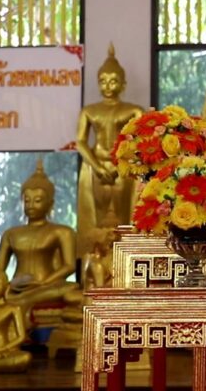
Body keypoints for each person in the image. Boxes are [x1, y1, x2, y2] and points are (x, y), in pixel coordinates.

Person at [75, 43, 143, 255]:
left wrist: (121, 164)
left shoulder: (134, 110)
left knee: (124, 215)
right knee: (99, 215)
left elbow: (142, 141)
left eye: (113, 81)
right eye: (103, 81)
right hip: (97, 166)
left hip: (122, 168)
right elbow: (80, 142)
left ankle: (125, 257)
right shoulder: (89, 111)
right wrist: (97, 167)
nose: (107, 86)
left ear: (123, 84)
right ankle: (98, 256)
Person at [0, 160, 79, 311]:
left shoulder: (62, 232)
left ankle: (20, 302)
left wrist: (43, 283)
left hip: (46, 286)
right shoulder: (11, 234)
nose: (31, 205)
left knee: (71, 288)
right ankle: (19, 300)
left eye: (38, 201)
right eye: (27, 201)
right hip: (16, 287)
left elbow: (69, 266)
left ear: (50, 204)